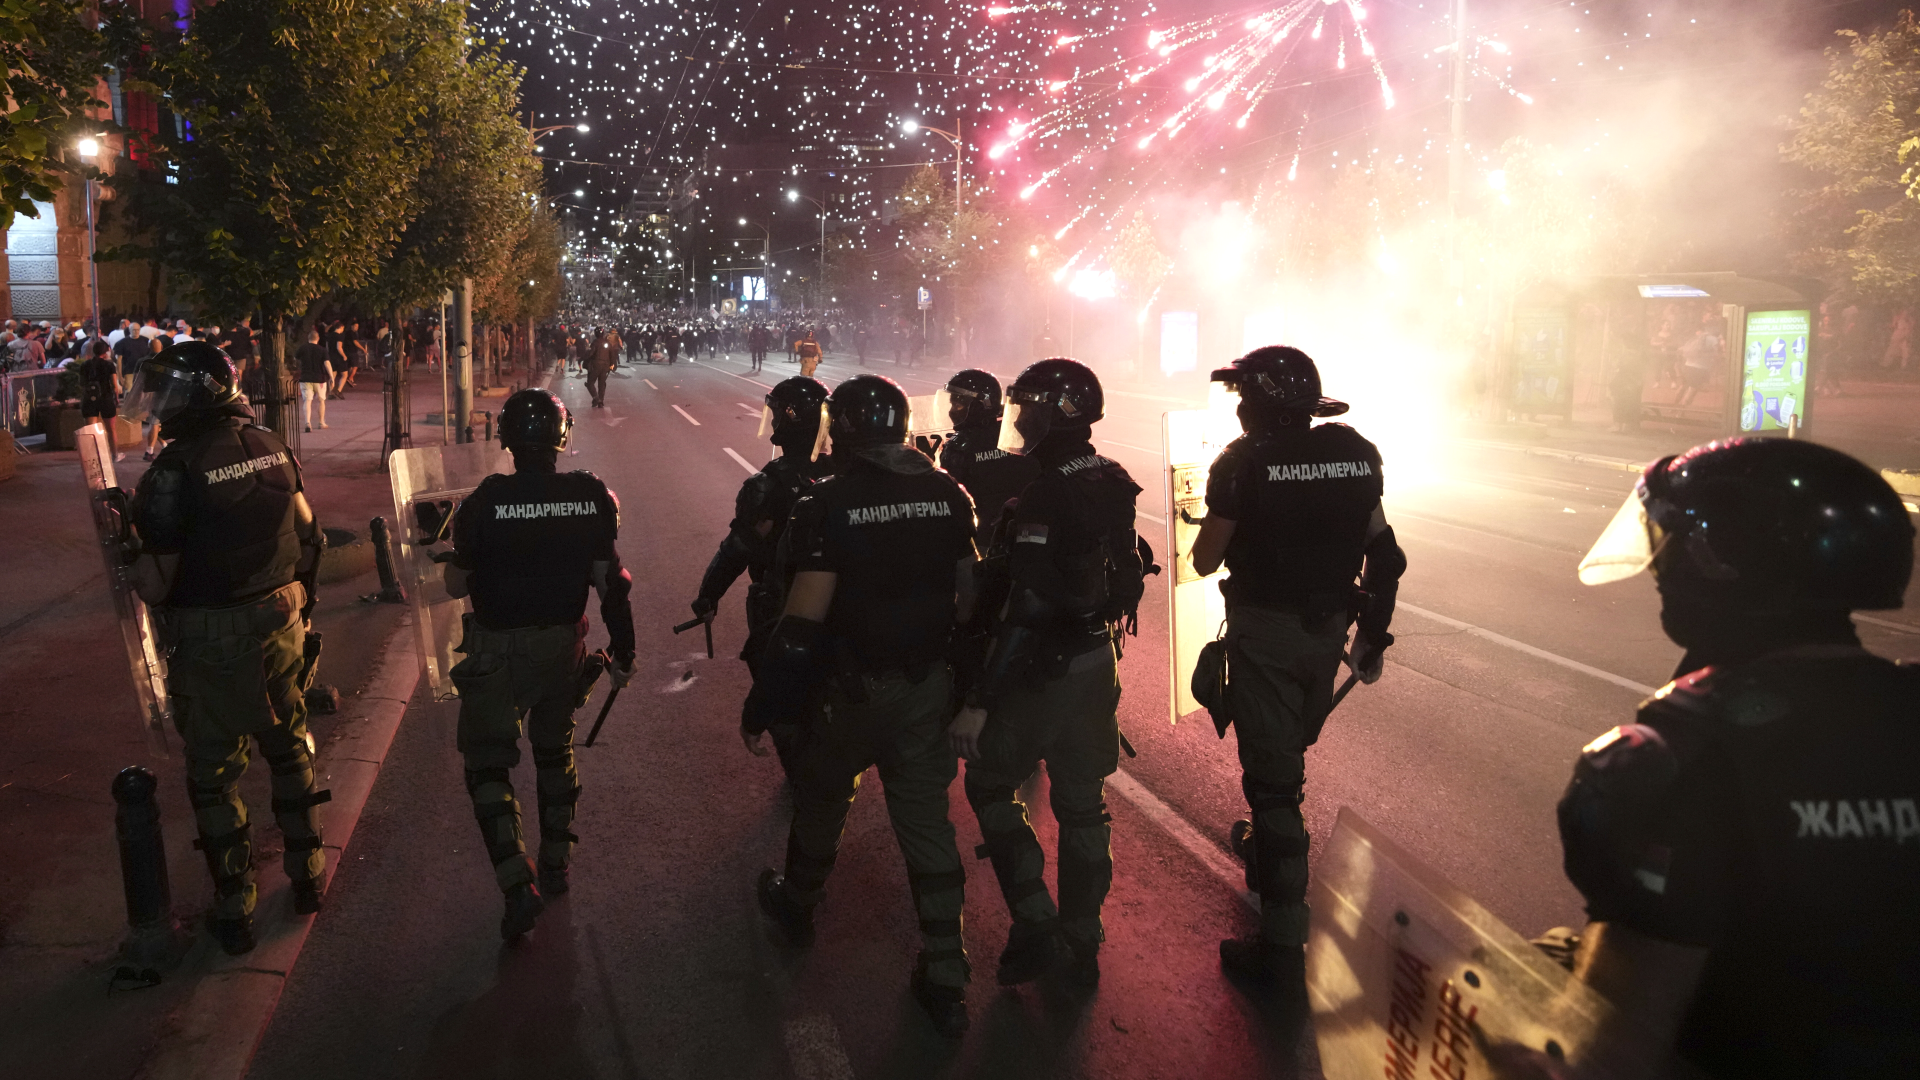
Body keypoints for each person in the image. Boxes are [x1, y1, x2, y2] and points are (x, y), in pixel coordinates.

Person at [1522, 438, 1920, 1080]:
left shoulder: (1687, 752)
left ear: (1721, 562)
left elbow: (1614, 1047)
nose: (1661, 569)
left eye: (1673, 546)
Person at [746, 375, 979, 1037]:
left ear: (842, 430)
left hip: (849, 691)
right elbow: (971, 602)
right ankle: (947, 972)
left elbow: (801, 624)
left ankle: (798, 905)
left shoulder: (826, 504)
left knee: (823, 796)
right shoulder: (948, 492)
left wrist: (764, 703)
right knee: (927, 824)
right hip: (926, 687)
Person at [1186, 345, 1406, 984]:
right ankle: (1266, 852)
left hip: (1266, 635)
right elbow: (1386, 556)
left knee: (1274, 781)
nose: (1239, 408)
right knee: (1288, 752)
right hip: (1328, 633)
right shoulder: (1353, 451)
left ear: (1258, 403)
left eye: (1243, 397)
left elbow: (1204, 560)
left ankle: (1282, 946)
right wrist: (1371, 638)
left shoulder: (1241, 462)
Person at [124, 340, 329, 955]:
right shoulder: (270, 445)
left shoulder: (172, 473)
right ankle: (308, 875)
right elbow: (310, 537)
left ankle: (236, 906)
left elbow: (155, 586)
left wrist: (127, 548)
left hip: (212, 639)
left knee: (215, 775)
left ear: (198, 397)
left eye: (168, 393)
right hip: (282, 623)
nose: (159, 405)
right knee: (289, 748)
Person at [947, 358, 1144, 990]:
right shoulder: (1110, 476)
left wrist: (981, 699)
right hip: (1097, 660)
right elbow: (1125, 571)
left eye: (1029, 406)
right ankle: (1083, 937)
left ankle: (1035, 920)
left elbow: (1029, 605)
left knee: (988, 784)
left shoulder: (1046, 492)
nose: (1020, 417)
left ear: (1057, 413)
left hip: (1045, 669)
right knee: (1084, 805)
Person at [441, 389, 636, 939]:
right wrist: (625, 652)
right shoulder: (591, 495)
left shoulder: (485, 501)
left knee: (487, 765)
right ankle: (556, 863)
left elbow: (456, 584)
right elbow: (611, 584)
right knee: (554, 751)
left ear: (506, 440)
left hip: (497, 653)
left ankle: (515, 882)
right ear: (561, 437)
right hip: (561, 647)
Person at [690, 377, 833, 773]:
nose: (771, 423)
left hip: (782, 600)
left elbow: (738, 548)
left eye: (776, 415)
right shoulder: (847, 473)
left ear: (790, 419)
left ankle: (795, 752)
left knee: (773, 673)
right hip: (841, 598)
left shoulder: (768, 485)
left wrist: (708, 595)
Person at [936, 369, 1041, 551]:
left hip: (981, 540)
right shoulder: (1019, 436)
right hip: (1026, 534)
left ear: (980, 404)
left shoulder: (960, 447)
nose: (952, 411)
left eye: (958, 405)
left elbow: (948, 500)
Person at [77, 338, 120, 453]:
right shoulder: (109, 365)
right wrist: (116, 398)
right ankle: (114, 454)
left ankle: (93, 455)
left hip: (90, 399)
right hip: (106, 398)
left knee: (91, 430)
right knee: (111, 429)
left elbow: (81, 383)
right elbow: (114, 385)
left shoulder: (85, 365)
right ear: (105, 352)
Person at [295, 326, 333, 432]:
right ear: (318, 338)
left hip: (305, 377)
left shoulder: (302, 348)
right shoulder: (322, 350)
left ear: (308, 338)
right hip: (319, 378)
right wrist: (331, 377)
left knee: (307, 400)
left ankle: (307, 422)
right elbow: (327, 363)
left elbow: (295, 358)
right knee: (321, 400)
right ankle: (321, 422)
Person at [585, 330, 615, 408]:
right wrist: (612, 364)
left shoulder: (595, 343)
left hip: (595, 365)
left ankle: (596, 398)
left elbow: (590, 354)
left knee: (590, 383)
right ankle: (601, 401)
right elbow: (612, 354)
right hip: (605, 365)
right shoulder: (607, 343)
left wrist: (585, 359)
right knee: (602, 383)